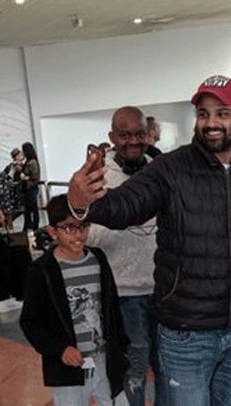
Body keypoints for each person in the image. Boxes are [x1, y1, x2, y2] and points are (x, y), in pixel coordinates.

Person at [67, 75, 231, 406]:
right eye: (203, 114)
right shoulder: (171, 168)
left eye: (222, 113)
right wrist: (85, 204)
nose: (211, 123)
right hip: (186, 335)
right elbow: (128, 204)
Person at [86, 106, 165, 406]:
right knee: (136, 361)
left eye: (140, 133)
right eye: (125, 134)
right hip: (124, 290)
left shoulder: (160, 167)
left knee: (166, 361)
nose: (134, 140)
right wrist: (122, 217)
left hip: (163, 287)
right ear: (112, 137)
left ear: (149, 134)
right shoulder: (96, 176)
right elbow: (87, 234)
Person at [20, 194, 129, 406]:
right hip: (68, 367)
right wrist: (60, 349)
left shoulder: (98, 259)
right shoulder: (42, 270)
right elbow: (30, 322)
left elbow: (112, 307)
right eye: (69, 228)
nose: (79, 235)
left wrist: (121, 346)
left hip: (104, 359)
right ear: (53, 231)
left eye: (84, 226)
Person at [20, 142, 40, 231]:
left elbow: (35, 177)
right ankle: (29, 225)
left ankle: (34, 225)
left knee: (33, 208)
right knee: (28, 209)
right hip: (27, 188)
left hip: (31, 188)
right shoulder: (28, 162)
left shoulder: (32, 162)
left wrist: (25, 177)